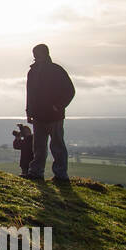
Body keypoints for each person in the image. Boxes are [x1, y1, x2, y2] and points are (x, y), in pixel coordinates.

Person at [25, 43, 75, 181]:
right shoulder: (33, 71)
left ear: (45, 53)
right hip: (40, 115)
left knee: (56, 146)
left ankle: (60, 175)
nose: (36, 56)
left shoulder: (56, 70)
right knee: (39, 147)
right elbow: (30, 93)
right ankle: (36, 173)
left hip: (54, 115)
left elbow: (70, 91)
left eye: (37, 53)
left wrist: (58, 106)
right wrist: (29, 111)